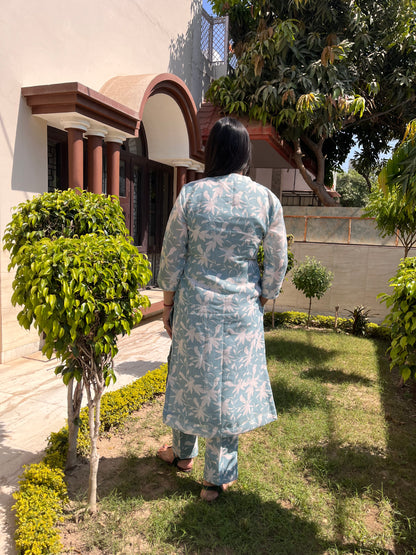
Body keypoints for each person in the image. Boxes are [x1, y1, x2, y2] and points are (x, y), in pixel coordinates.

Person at [156, 117, 288, 501]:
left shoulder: (191, 195)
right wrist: (264, 295)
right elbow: (278, 258)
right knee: (228, 388)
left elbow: (172, 254)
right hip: (241, 311)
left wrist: (167, 303)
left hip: (195, 308)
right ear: (245, 155)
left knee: (186, 376)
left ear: (212, 151)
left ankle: (182, 454)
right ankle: (216, 478)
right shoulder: (265, 200)